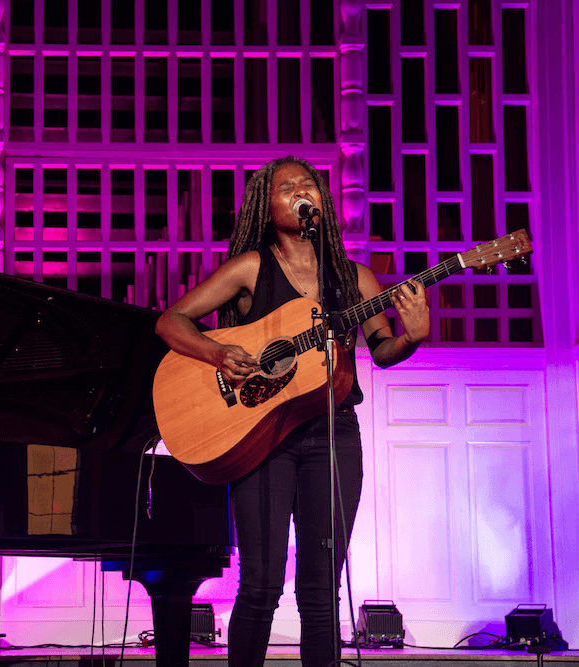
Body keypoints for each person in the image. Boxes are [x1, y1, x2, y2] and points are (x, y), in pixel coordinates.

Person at [154, 157, 430, 667]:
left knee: (322, 590)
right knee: (261, 584)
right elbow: (171, 322)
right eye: (288, 187)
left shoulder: (355, 278)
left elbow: (383, 350)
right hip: (263, 436)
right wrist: (218, 354)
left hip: (333, 433)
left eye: (309, 184)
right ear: (267, 204)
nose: (302, 191)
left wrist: (411, 337)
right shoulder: (251, 268)